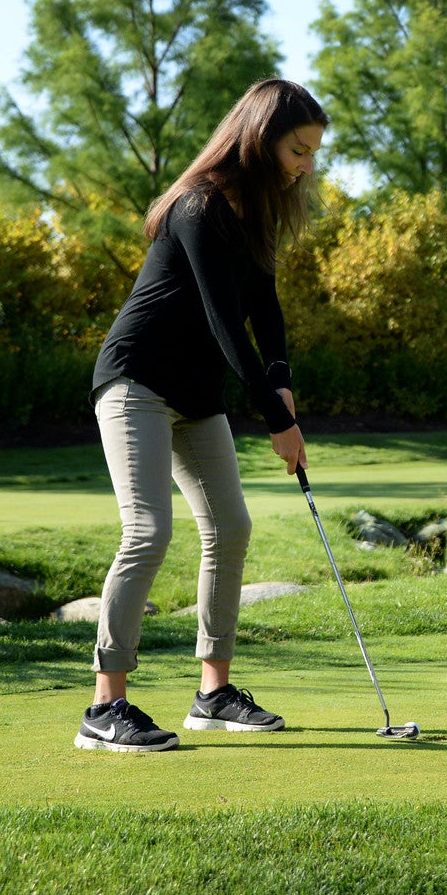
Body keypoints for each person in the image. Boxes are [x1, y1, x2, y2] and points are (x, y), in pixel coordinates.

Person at [74, 79, 327, 752]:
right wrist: (277, 421)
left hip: (195, 395)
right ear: (261, 136)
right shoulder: (198, 207)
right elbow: (224, 325)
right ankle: (105, 707)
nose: (306, 165)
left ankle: (212, 694)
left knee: (230, 526)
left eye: (311, 153)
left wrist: (282, 381)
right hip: (136, 381)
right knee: (149, 531)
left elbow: (264, 309)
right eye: (298, 150)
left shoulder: (255, 215)